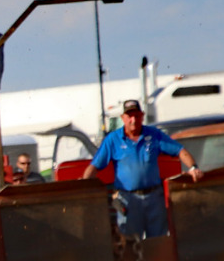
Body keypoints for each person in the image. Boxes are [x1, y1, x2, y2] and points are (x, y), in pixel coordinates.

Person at [83, 99, 203, 238]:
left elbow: (180, 151)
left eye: (137, 116)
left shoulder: (154, 135)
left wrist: (193, 168)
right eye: (129, 116)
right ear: (123, 118)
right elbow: (95, 166)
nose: (133, 120)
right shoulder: (113, 140)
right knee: (131, 243)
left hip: (154, 198)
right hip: (128, 200)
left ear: (142, 116)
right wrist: (84, 186)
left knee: (158, 240)